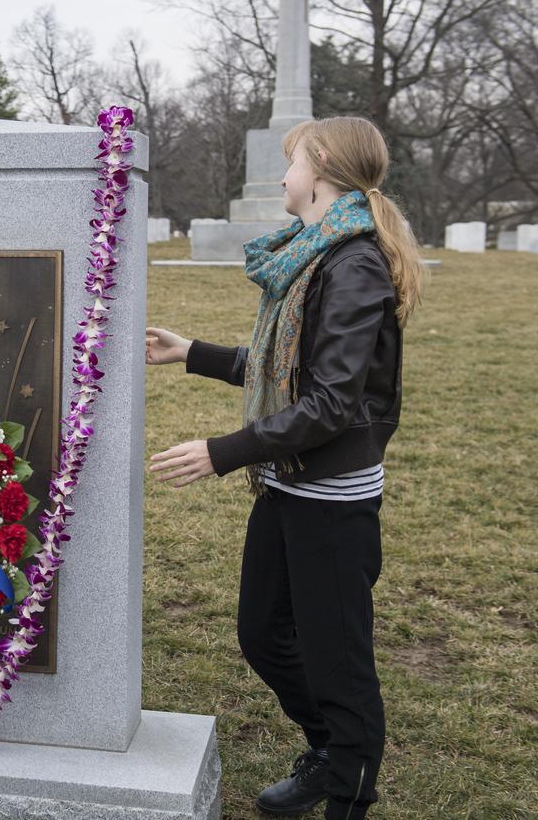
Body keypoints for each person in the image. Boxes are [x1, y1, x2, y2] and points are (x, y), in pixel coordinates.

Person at [144, 117, 423, 820]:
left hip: (332, 495)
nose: (283, 173)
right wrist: (192, 351)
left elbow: (329, 403)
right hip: (291, 481)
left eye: (291, 160)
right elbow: (286, 372)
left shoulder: (351, 262)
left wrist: (220, 452)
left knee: (338, 661)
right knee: (263, 633)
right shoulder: (313, 253)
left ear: (321, 166)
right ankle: (335, 753)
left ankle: (349, 786)